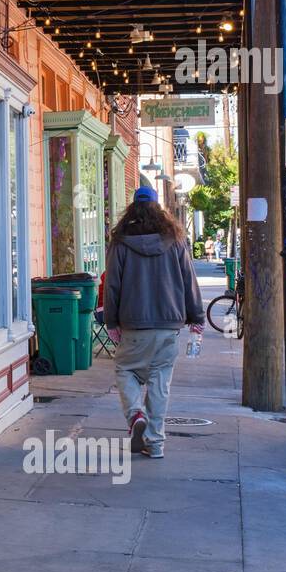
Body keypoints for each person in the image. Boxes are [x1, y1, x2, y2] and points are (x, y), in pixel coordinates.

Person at [102, 186, 204, 459]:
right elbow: (188, 280)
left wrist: (111, 321)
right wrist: (197, 317)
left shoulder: (121, 242)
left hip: (134, 324)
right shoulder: (176, 239)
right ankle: (155, 444)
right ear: (159, 210)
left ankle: (136, 413)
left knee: (125, 370)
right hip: (169, 325)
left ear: (132, 209)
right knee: (160, 383)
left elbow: (112, 285)